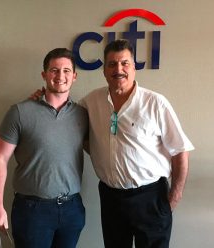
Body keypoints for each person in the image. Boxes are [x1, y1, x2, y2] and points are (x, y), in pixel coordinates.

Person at [32, 40, 194, 248]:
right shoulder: (91, 102)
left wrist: (174, 196)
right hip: (111, 197)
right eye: (112, 64)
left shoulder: (155, 103)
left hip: (151, 197)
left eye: (125, 63)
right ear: (104, 70)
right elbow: (64, 119)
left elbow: (180, 150)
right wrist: (41, 101)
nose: (119, 69)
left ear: (134, 67)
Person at [0, 48, 88, 248]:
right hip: (32, 211)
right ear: (44, 75)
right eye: (54, 70)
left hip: (71, 209)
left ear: (75, 76)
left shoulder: (82, 115)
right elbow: (0, 159)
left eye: (67, 70)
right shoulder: (20, 112)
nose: (61, 76)